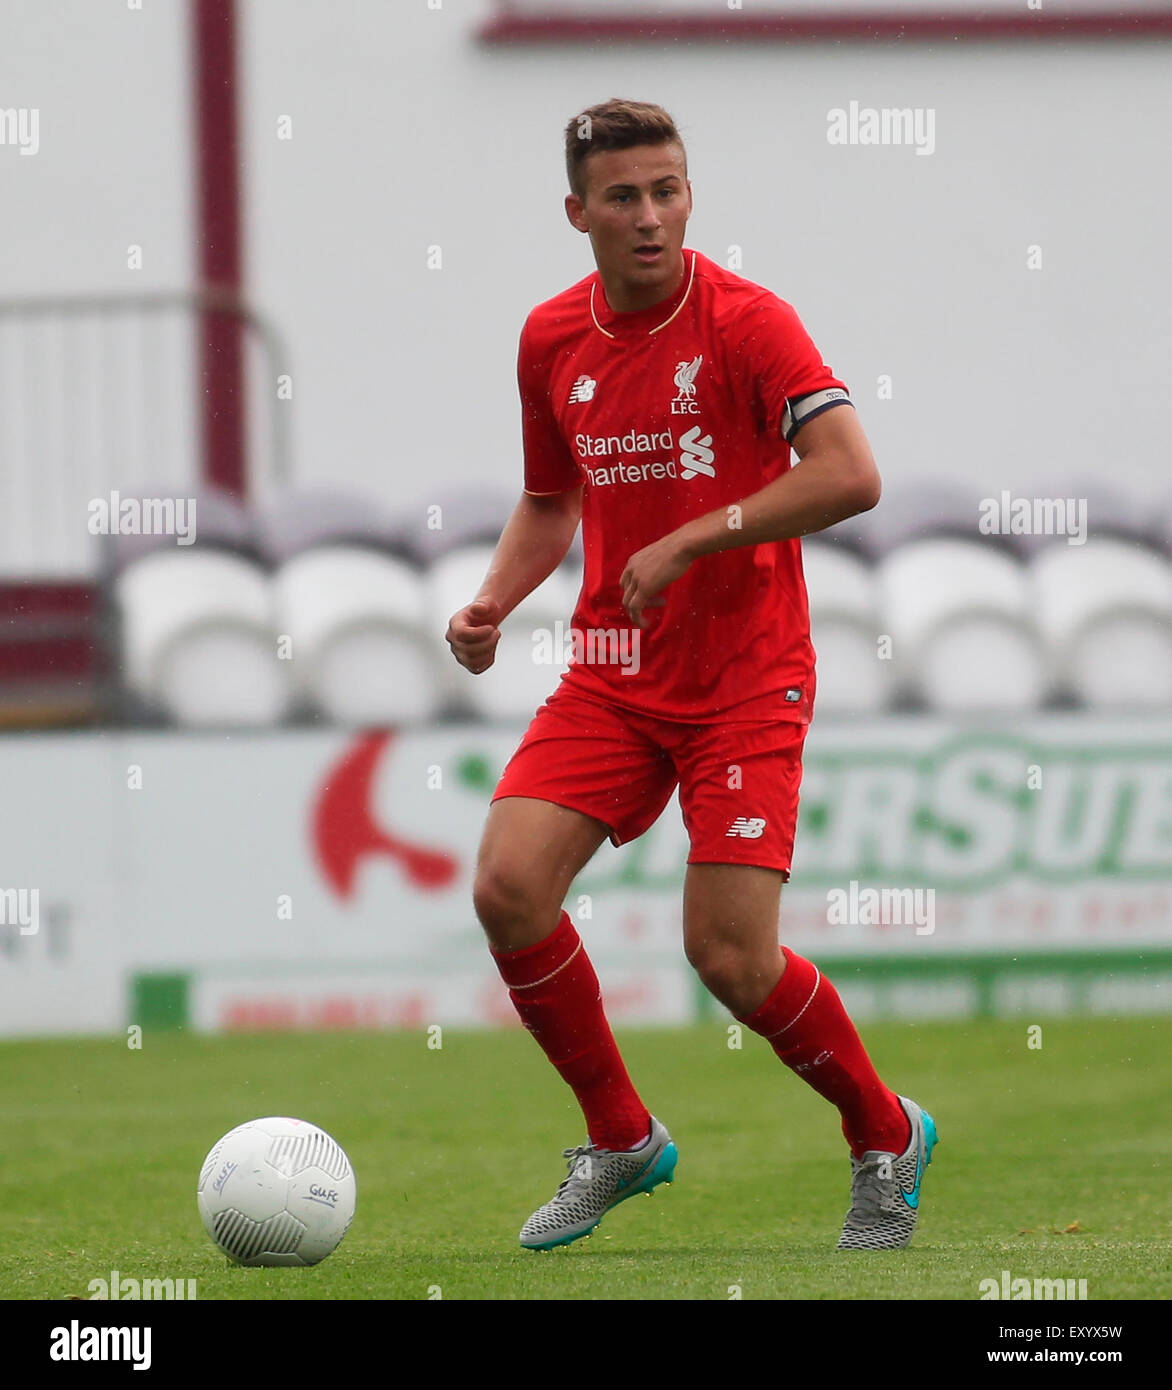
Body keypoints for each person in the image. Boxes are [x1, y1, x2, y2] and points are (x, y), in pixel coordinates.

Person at [445, 98, 936, 1253]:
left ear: (687, 195)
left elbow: (851, 474)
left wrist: (695, 534)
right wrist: (492, 600)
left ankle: (882, 1132)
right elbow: (549, 497)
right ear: (577, 213)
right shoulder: (548, 338)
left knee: (726, 956)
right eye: (622, 197)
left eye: (666, 190)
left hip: (743, 674)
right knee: (506, 887)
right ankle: (620, 1138)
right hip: (614, 668)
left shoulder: (749, 323)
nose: (650, 217)